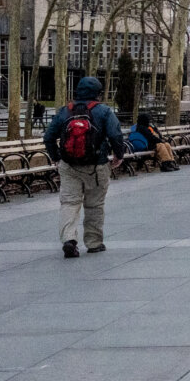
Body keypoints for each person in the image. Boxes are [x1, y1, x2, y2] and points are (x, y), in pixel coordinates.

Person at [43, 76, 127, 257]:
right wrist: (118, 155)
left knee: (69, 202)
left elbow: (49, 137)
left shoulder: (65, 111)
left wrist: (56, 157)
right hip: (97, 166)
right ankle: (94, 242)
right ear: (98, 92)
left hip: (69, 165)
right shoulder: (104, 111)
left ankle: (69, 239)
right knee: (95, 204)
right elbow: (115, 135)